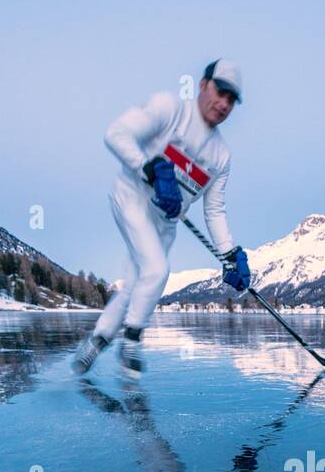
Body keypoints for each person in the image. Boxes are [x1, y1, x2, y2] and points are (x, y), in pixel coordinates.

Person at [73, 59, 250, 377]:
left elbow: (214, 210)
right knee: (156, 269)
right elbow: (116, 134)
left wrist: (230, 255)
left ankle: (95, 343)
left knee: (134, 286)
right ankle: (132, 344)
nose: (223, 104)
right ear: (202, 85)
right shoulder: (169, 108)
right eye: (219, 92)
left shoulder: (222, 156)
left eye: (231, 100)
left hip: (165, 224)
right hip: (132, 199)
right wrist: (149, 166)